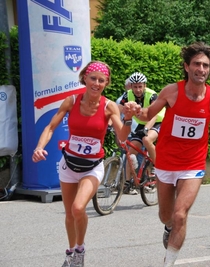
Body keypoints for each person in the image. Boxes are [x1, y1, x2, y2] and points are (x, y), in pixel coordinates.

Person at [129, 42, 210, 266]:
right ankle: (168, 227)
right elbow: (147, 115)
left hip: (193, 165)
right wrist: (136, 111)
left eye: (205, 65)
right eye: (196, 64)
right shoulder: (171, 91)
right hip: (166, 162)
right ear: (186, 66)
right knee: (167, 216)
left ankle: (169, 262)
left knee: (180, 214)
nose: (201, 69)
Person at [31, 61, 135, 267]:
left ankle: (80, 248)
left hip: (92, 167)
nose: (96, 83)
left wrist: (129, 119)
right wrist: (39, 147)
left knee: (79, 208)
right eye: (93, 78)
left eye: (101, 80)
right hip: (68, 164)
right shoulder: (71, 101)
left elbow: (122, 137)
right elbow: (51, 127)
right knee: (70, 214)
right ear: (84, 78)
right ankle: (70, 252)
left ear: (106, 83)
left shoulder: (109, 106)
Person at [117, 72, 165, 194]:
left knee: (147, 139)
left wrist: (147, 129)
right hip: (142, 122)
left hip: (157, 121)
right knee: (130, 150)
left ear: (145, 85)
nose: (138, 90)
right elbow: (117, 111)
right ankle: (128, 182)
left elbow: (153, 114)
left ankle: (157, 166)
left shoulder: (152, 95)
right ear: (131, 86)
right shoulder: (127, 95)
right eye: (135, 87)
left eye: (140, 86)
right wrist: (113, 124)